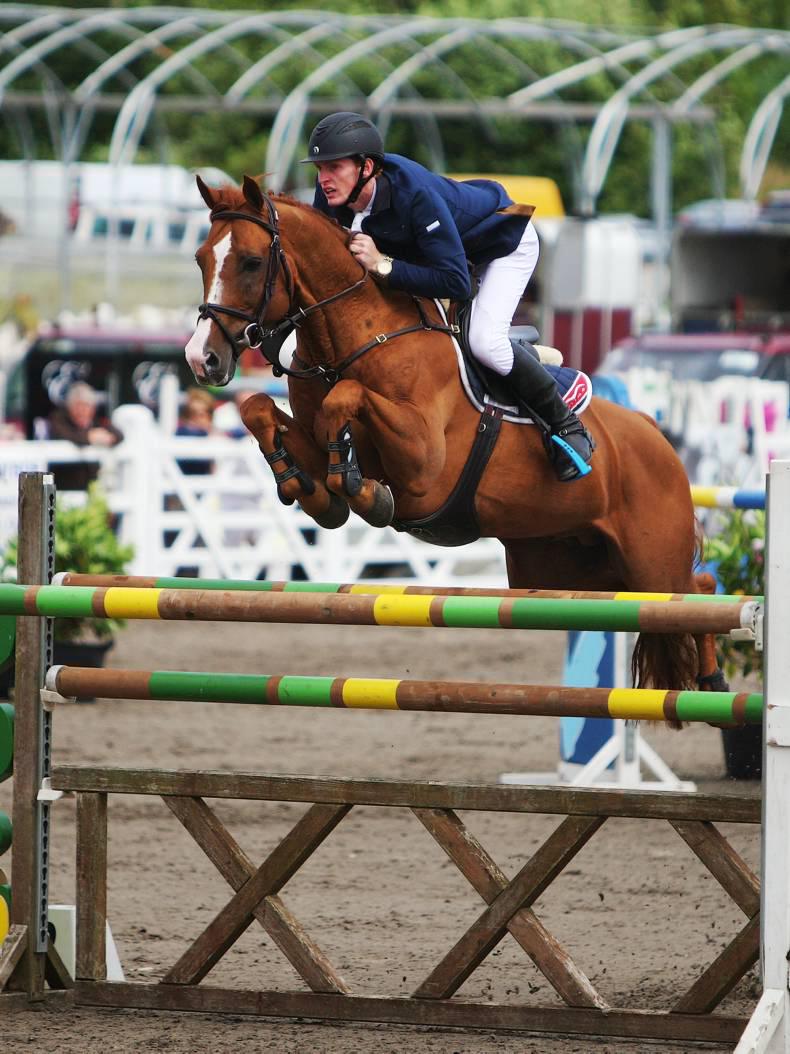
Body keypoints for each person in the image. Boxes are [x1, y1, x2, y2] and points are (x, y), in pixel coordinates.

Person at [302, 112, 594, 482]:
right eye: (319, 169)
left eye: (334, 167)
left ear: (367, 167)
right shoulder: (330, 195)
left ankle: (567, 426)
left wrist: (384, 264)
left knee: (484, 343)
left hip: (502, 246)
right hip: (443, 255)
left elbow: (456, 282)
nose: (324, 179)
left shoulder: (413, 194)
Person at [47, 382, 123, 490]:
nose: (82, 411)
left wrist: (108, 437)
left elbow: (119, 435)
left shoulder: (97, 422)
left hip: (92, 486)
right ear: (70, 407)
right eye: (78, 406)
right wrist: (90, 437)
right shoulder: (58, 419)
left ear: (92, 408)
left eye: (86, 406)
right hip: (64, 486)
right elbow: (66, 435)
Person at [175, 387, 217, 475]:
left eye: (205, 413)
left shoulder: (215, 435)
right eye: (193, 413)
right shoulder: (181, 432)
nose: (200, 418)